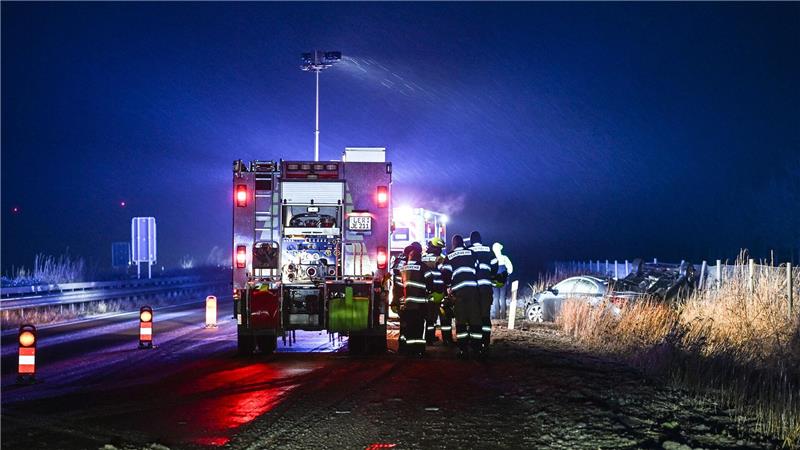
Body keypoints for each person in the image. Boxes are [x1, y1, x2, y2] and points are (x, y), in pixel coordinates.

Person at [441, 234, 482, 358]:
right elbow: (478, 269)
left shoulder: (449, 256)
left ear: (453, 244)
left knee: (461, 321)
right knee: (475, 320)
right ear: (463, 243)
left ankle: (463, 350)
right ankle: (477, 349)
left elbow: (445, 274)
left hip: (458, 293)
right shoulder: (472, 253)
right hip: (473, 291)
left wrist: (449, 287)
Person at [397, 244, 431, 357]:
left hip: (406, 305)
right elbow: (430, 283)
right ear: (419, 256)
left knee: (407, 328)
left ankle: (405, 349)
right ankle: (419, 351)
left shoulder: (402, 268)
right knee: (419, 328)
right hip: (419, 304)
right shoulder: (423, 267)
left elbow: (398, 286)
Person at [469, 231, 498, 351]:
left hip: (473, 288)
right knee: (485, 315)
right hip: (486, 287)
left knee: (474, 316)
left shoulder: (468, 250)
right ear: (480, 240)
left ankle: (475, 342)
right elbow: (495, 268)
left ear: (471, 240)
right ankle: (485, 342)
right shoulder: (489, 250)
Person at [422, 237, 447, 345]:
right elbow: (444, 273)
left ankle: (427, 336)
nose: (440, 250)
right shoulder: (440, 259)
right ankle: (429, 338)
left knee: (426, 315)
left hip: (424, 291)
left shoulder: (422, 258)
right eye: (439, 248)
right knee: (432, 317)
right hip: (436, 291)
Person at [491, 242, 514, 319]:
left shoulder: (492, 259)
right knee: (502, 297)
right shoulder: (504, 258)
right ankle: (503, 316)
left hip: (494, 280)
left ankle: (497, 316)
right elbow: (510, 269)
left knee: (496, 297)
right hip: (502, 279)